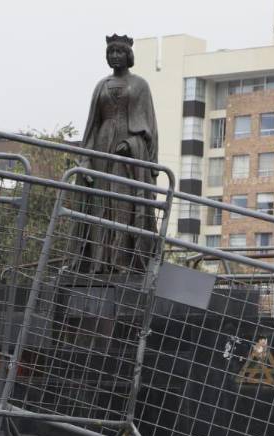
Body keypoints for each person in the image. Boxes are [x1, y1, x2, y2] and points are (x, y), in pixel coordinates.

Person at [74, 34, 160, 273]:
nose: (115, 56)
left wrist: (133, 144)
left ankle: (123, 261)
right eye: (111, 52)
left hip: (128, 155)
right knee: (100, 204)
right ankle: (99, 263)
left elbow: (149, 126)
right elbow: (92, 125)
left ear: (128, 55)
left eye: (119, 51)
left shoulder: (140, 85)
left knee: (124, 205)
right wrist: (86, 158)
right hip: (102, 149)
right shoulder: (101, 85)